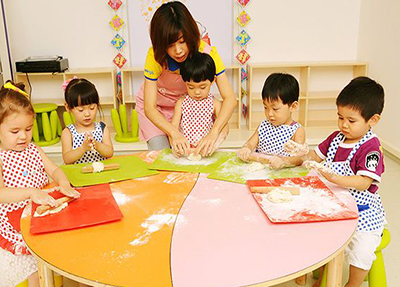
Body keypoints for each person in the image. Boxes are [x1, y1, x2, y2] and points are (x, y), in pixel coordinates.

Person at [273, 77, 386, 287]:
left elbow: (363, 182)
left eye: (351, 121)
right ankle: (321, 272)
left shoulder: (371, 149)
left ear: (373, 119)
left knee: (363, 249)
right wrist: (301, 154)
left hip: (363, 211)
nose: (343, 124)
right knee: (318, 234)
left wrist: (333, 177)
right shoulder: (336, 137)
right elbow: (314, 157)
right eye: (340, 117)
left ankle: (352, 283)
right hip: (334, 202)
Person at [0, 81, 80, 287]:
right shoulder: (1, 157)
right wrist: (30, 192)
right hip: (17, 225)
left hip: (42, 214)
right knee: (35, 274)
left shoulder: (34, 150)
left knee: (60, 258)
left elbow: (54, 169)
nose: (23, 136)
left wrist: (63, 182)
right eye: (15, 131)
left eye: (28, 128)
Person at [135, 1, 236, 157]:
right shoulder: (154, 56)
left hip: (188, 106)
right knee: (163, 154)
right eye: (170, 45)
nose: (178, 50)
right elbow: (149, 107)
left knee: (209, 142)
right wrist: (173, 132)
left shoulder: (207, 52)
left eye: (182, 41)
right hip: (157, 108)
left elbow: (230, 98)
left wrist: (214, 132)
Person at [237, 73, 306, 164]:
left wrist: (283, 162)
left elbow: (299, 159)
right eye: (266, 107)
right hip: (259, 169)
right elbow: (250, 143)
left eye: (275, 109)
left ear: (293, 106)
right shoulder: (264, 125)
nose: (269, 114)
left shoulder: (297, 131)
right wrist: (246, 148)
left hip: (281, 173)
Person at [171, 51, 228, 157]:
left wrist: (214, 144)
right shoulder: (181, 103)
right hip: (186, 152)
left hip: (207, 151)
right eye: (191, 87)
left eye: (202, 87)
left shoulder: (215, 104)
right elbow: (173, 129)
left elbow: (224, 129)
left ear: (212, 81)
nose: (197, 92)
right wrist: (175, 146)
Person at [61, 78, 114, 164]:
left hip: (101, 174)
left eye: (92, 108)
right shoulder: (68, 133)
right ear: (68, 108)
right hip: (79, 175)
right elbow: (67, 159)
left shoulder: (102, 128)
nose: (87, 114)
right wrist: (83, 148)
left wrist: (97, 145)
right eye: (81, 110)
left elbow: (110, 152)